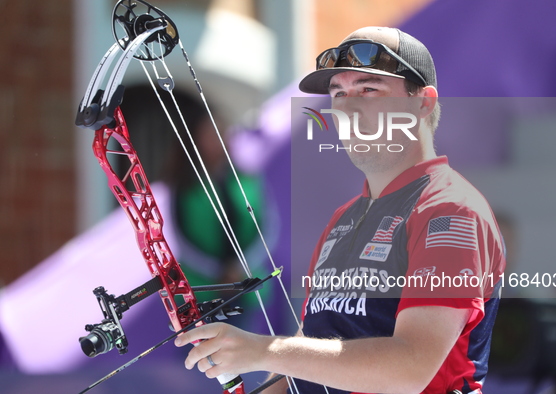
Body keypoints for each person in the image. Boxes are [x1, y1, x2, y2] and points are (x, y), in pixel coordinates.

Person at [175, 26, 506, 394]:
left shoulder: (450, 209)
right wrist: (269, 369)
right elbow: (316, 342)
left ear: (422, 103)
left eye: (368, 90)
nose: (346, 107)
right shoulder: (345, 218)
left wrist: (264, 351)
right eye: (339, 94)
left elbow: (412, 368)